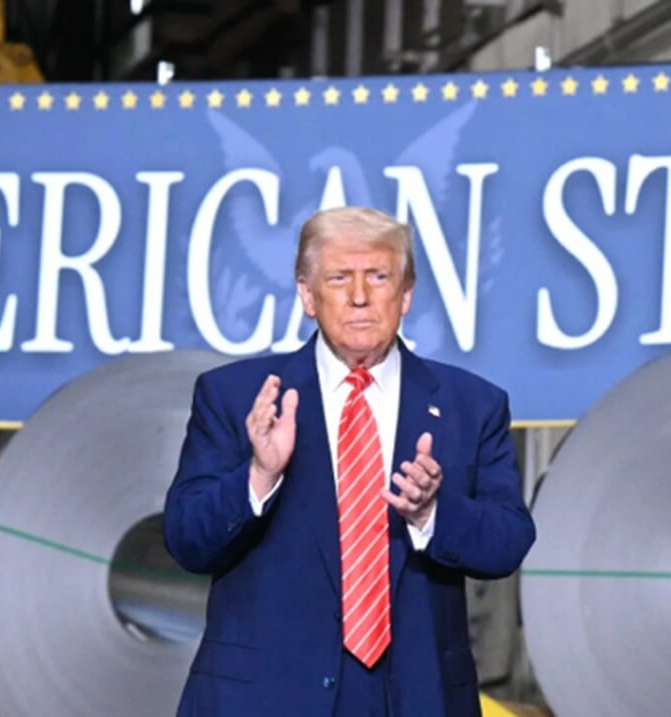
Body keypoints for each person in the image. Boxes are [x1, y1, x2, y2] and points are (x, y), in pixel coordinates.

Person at [163, 206, 535, 716]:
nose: (360, 296)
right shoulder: (236, 397)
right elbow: (187, 541)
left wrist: (432, 513)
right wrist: (259, 475)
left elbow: (508, 544)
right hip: (264, 699)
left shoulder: (471, 405)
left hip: (414, 699)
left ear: (405, 294)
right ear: (307, 294)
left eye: (378, 277)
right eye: (339, 278)